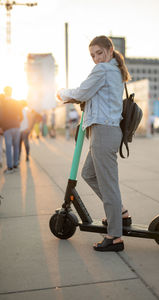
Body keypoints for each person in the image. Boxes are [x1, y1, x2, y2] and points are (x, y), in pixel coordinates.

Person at [57, 35, 132, 252]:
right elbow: (90, 95)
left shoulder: (103, 70)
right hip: (105, 131)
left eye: (99, 53)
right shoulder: (115, 70)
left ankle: (114, 237)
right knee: (89, 174)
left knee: (109, 185)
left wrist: (61, 93)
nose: (96, 58)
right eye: (92, 55)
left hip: (103, 132)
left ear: (110, 50)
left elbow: (83, 92)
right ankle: (121, 214)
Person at [1, 87, 23, 174]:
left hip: (7, 128)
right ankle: (15, 165)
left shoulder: (3, 103)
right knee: (16, 146)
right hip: (16, 127)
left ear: (5, 92)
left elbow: (1, 115)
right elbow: (21, 116)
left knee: (8, 148)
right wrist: (17, 123)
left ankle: (10, 168)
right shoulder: (16, 102)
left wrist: (1, 127)